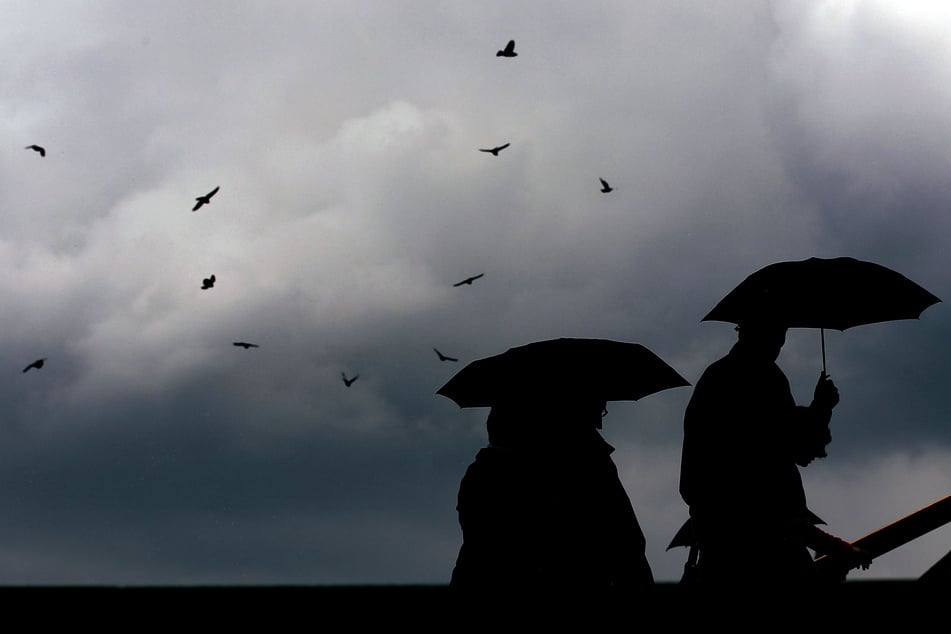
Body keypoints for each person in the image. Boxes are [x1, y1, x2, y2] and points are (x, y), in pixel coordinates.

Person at [678, 319, 871, 584]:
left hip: (720, 547)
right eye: (778, 334)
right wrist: (822, 408)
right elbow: (791, 453)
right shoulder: (764, 378)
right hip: (769, 552)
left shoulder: (715, 378)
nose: (780, 343)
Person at [449, 395, 655, 595]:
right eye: (599, 407)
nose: (601, 415)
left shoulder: (484, 473)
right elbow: (628, 551)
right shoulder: (588, 468)